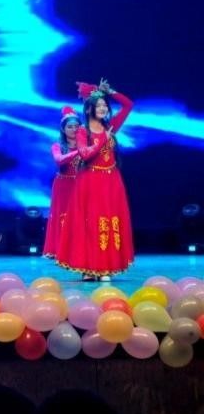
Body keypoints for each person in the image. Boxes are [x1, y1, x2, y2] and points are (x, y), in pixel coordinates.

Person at [56, 79, 134, 281]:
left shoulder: (110, 126)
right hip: (90, 181)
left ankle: (106, 267)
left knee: (108, 221)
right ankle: (88, 268)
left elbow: (128, 105)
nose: (102, 108)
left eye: (104, 105)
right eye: (98, 105)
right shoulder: (83, 131)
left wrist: (111, 91)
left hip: (111, 181)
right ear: (89, 109)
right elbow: (84, 154)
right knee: (90, 222)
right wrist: (104, 140)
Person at [42, 106, 82, 259]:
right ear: (63, 129)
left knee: (81, 216)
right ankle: (61, 249)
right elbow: (59, 160)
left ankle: (79, 248)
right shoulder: (57, 146)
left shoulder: (85, 143)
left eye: (76, 126)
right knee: (62, 216)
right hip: (63, 185)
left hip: (81, 184)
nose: (73, 129)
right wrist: (80, 151)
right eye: (70, 127)